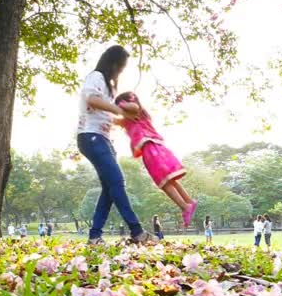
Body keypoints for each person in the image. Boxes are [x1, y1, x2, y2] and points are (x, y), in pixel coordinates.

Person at [76, 45, 157, 245]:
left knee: (109, 188)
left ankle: (95, 236)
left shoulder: (108, 87)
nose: (121, 71)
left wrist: (128, 120)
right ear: (112, 63)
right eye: (121, 66)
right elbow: (91, 100)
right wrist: (118, 110)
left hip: (102, 138)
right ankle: (137, 231)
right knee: (117, 182)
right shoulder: (95, 77)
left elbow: (106, 115)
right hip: (90, 136)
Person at [114, 91, 197, 227]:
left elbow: (133, 107)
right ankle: (189, 201)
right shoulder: (129, 119)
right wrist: (99, 111)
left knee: (163, 182)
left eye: (121, 107)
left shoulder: (137, 113)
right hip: (155, 148)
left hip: (151, 148)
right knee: (169, 179)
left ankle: (184, 206)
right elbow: (114, 121)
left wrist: (119, 104)